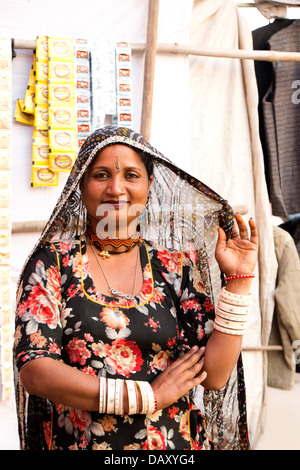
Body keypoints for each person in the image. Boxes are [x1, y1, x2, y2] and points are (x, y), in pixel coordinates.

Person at [14, 126, 258, 451]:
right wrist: (148, 397)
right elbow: (36, 371)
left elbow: (213, 376)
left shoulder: (175, 266)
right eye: (101, 175)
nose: (116, 188)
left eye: (131, 175)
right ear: (80, 184)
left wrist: (238, 283)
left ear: (149, 185)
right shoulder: (53, 264)